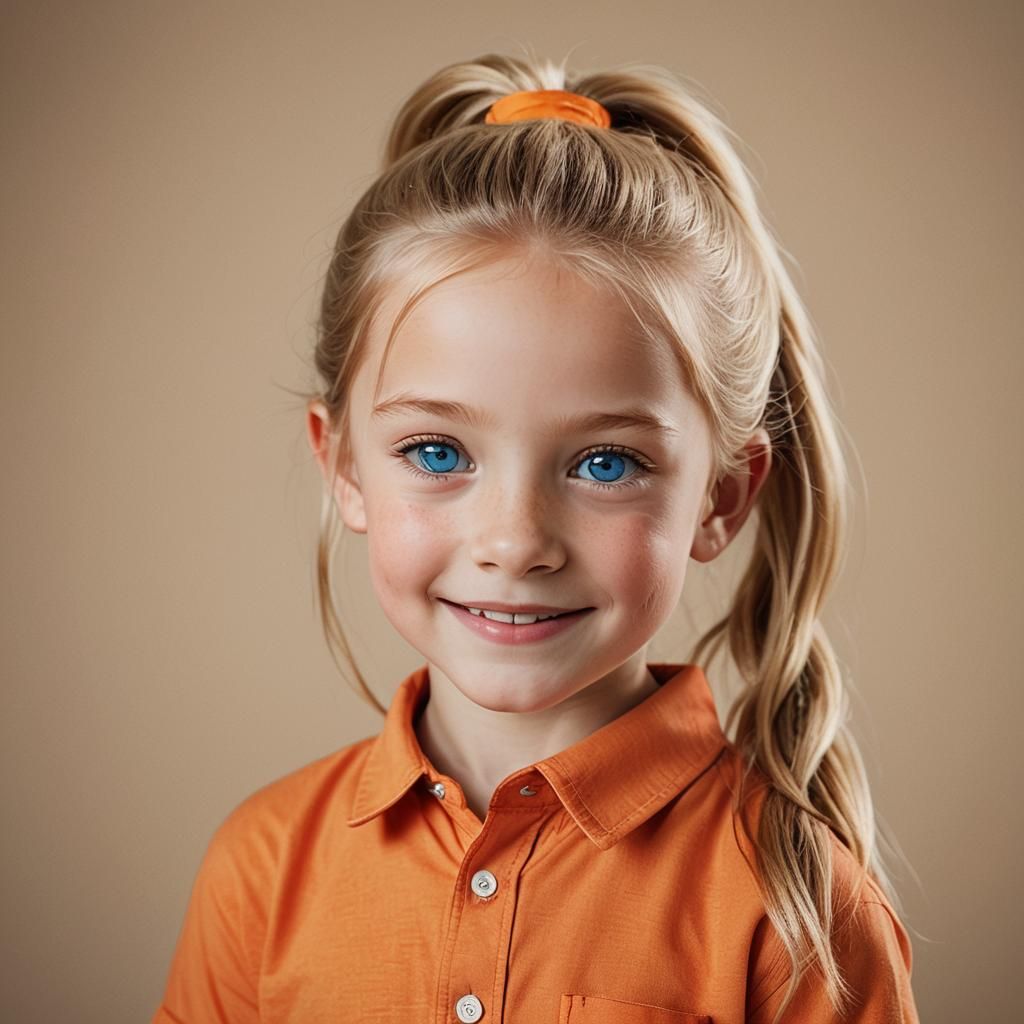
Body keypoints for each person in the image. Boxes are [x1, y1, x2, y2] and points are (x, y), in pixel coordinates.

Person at [152, 52, 920, 1023]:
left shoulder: (797, 910)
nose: (514, 542)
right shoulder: (259, 870)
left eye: (604, 463)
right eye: (437, 451)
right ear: (342, 464)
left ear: (722, 499)